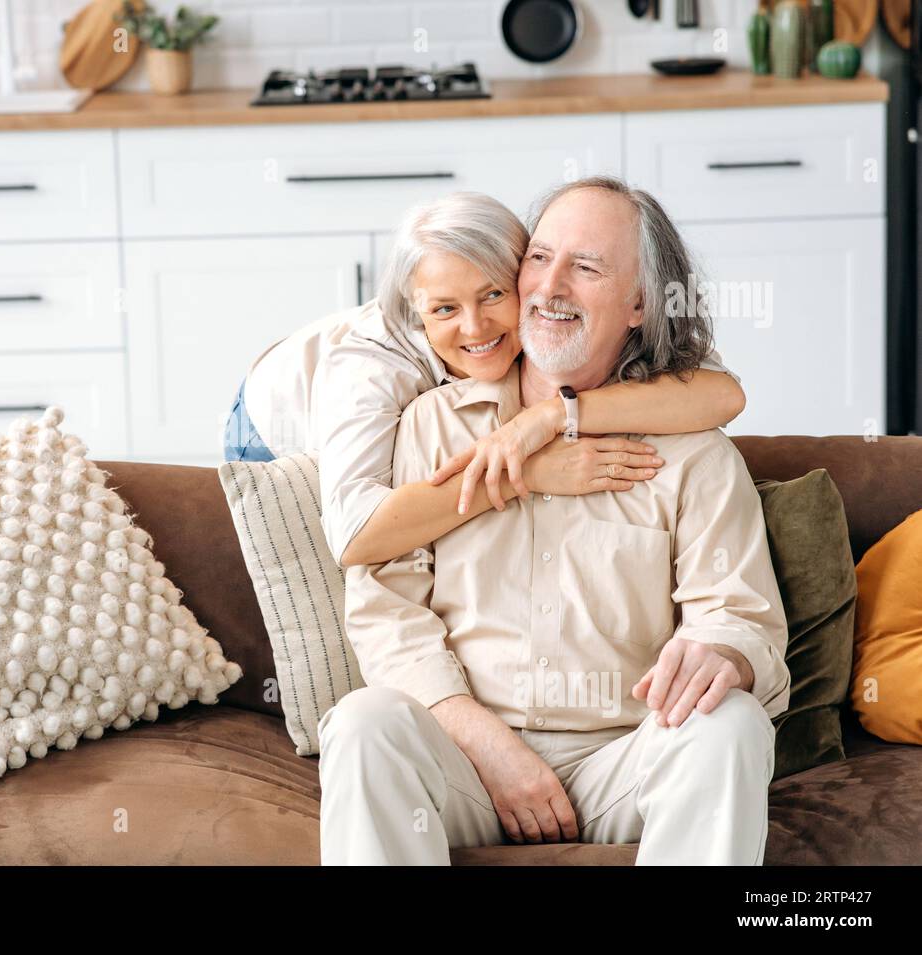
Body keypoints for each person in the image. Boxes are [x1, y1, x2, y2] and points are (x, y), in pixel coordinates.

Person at [317, 175, 791, 866]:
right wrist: (482, 739)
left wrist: (723, 652)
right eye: (539, 258)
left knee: (731, 725)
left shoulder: (693, 448)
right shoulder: (427, 422)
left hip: (623, 759)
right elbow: (386, 612)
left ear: (639, 304)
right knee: (364, 723)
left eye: (586, 266)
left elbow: (742, 614)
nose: (549, 286)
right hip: (462, 763)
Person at [223, 190, 747, 570]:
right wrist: (530, 472)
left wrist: (552, 417)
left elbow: (722, 393)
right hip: (274, 432)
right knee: (343, 579)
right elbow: (357, 533)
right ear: (415, 308)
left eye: (494, 293)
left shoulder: (547, 306)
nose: (475, 327)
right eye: (445, 308)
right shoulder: (371, 366)